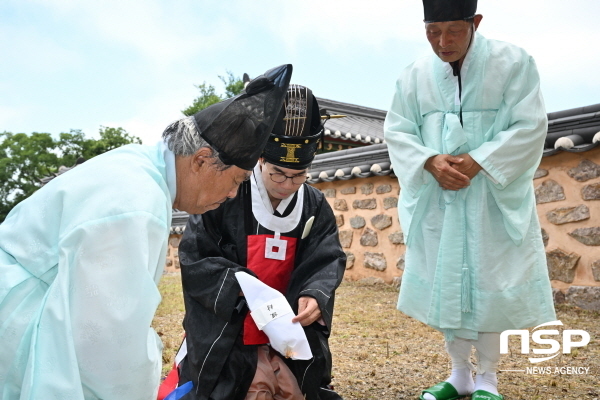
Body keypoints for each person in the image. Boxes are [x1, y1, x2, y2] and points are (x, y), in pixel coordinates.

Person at [0, 64, 292, 400]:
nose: (230, 195)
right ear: (201, 160)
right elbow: (107, 342)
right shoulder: (138, 205)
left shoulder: (137, 166)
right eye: (236, 181)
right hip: (20, 323)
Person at [384, 1, 556, 399]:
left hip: (489, 197)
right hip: (440, 199)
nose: (442, 42)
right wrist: (429, 161)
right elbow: (397, 130)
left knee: (488, 280)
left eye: (453, 31)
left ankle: (489, 378)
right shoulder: (413, 76)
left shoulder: (513, 62)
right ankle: (459, 373)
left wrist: (480, 160)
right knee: (450, 284)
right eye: (432, 32)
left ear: (475, 22)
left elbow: (531, 125)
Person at [176, 85, 345, 400]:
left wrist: (314, 294)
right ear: (260, 161)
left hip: (288, 328)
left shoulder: (314, 203)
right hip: (233, 326)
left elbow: (327, 256)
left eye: (299, 176)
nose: (287, 185)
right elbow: (195, 255)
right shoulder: (227, 193)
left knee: (295, 389)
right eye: (278, 174)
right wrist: (246, 291)